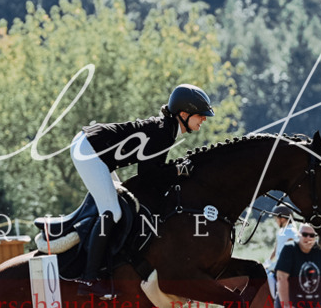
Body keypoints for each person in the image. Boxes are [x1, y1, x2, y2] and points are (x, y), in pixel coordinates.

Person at [71, 84, 214, 296]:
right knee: (112, 211)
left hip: (95, 149)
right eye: (200, 115)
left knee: (120, 207)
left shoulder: (167, 129)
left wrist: (176, 170)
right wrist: (178, 170)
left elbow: (152, 173)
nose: (203, 119)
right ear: (184, 114)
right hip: (89, 150)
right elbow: (148, 175)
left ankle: (106, 267)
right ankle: (89, 280)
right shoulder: (163, 132)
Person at [265, 204, 299, 300]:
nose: (275, 221)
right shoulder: (281, 231)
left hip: (287, 265)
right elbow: (276, 249)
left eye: (276, 218)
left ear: (282, 219)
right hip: (279, 263)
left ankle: (277, 298)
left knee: (270, 278)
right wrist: (268, 261)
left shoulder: (291, 232)